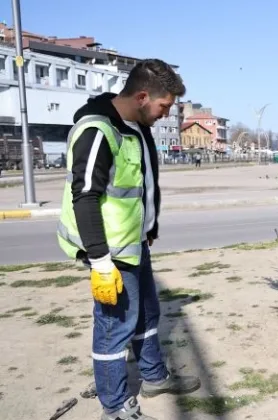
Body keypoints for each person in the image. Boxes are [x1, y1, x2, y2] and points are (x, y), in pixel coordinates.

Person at [56, 59, 200, 420]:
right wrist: (101, 262)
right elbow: (86, 197)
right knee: (114, 327)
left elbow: (140, 186)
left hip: (135, 242)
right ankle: (116, 407)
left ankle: (153, 377)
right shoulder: (97, 130)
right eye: (164, 107)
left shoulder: (136, 126)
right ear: (141, 96)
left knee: (148, 313)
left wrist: (148, 230)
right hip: (109, 251)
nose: (166, 115)